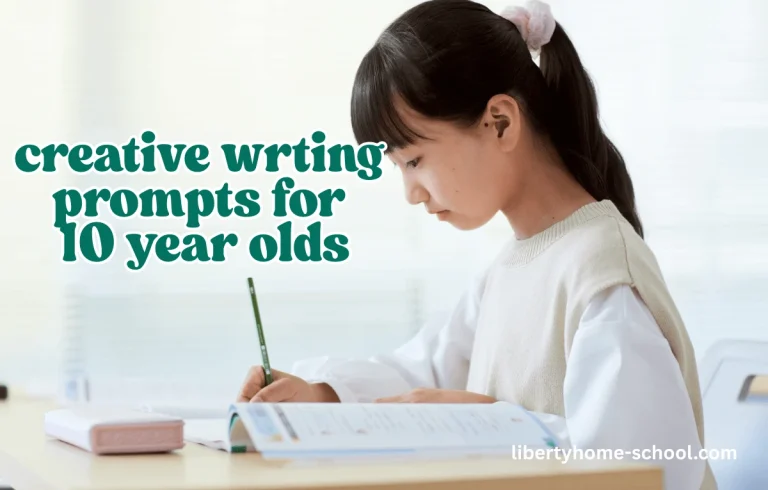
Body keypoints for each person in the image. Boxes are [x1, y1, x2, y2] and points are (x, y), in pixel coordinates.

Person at [237, 1, 717, 489]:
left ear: (500, 122)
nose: (411, 193)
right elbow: (425, 371)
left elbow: (651, 468)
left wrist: (497, 427)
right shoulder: (513, 267)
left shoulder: (601, 277)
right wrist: (319, 395)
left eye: (415, 159)